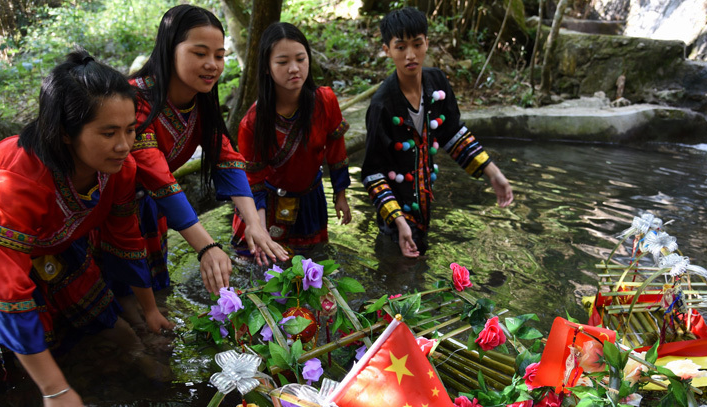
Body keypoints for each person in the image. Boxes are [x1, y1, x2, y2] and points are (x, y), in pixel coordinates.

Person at [0, 50, 172, 407]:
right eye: (108, 133)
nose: (125, 145)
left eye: (130, 129)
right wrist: (54, 389)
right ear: (65, 132)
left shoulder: (119, 168)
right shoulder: (18, 181)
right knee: (26, 342)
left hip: (57, 230)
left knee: (100, 319)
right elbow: (8, 291)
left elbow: (123, 238)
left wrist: (148, 312)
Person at [128, 5, 287, 296]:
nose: (212, 64)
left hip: (153, 211)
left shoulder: (200, 102)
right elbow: (157, 176)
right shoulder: (136, 101)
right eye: (200, 54)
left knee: (154, 299)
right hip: (111, 212)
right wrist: (207, 247)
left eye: (219, 55)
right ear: (169, 48)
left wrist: (254, 224)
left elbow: (225, 158)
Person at [361, 6, 514, 258]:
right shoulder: (381, 105)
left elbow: (453, 134)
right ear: (387, 50)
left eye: (417, 44)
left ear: (427, 43)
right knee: (399, 271)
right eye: (401, 47)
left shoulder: (438, 84)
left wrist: (493, 173)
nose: (411, 55)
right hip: (395, 216)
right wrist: (398, 221)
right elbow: (371, 173)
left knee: (419, 270)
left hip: (424, 209)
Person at [236, 22, 351, 249]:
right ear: (267, 67)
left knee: (315, 265)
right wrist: (258, 226)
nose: (294, 68)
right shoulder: (252, 123)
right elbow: (253, 182)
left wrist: (341, 195)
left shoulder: (325, 100)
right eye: (282, 62)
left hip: (312, 199)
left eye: (300, 59)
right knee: (267, 269)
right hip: (270, 205)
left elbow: (337, 152)